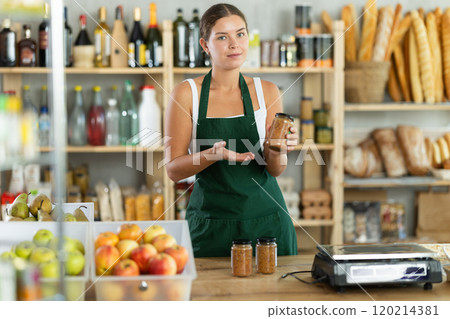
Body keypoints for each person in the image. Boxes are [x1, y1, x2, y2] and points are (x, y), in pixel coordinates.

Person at [165, 3, 298, 257]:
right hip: (209, 227)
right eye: (222, 37)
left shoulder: (267, 91)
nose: (234, 44)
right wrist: (212, 155)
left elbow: (275, 169)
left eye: (240, 33)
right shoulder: (187, 94)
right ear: (205, 45)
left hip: (268, 225)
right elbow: (173, 170)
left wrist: (278, 149)